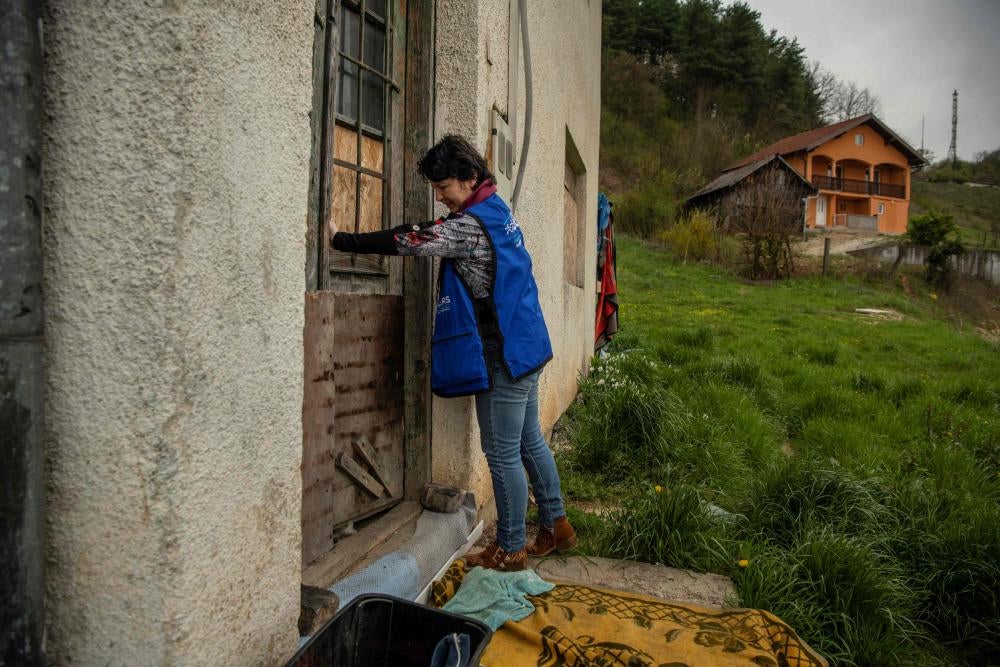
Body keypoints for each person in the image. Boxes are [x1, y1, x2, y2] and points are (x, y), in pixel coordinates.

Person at [329, 134, 576, 571]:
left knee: (501, 453)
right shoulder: (497, 210)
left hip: (505, 355)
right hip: (528, 345)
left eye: (443, 188)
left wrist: (344, 241)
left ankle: (512, 548)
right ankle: (557, 526)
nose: (440, 197)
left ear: (467, 177)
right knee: (527, 441)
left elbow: (411, 240)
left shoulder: (467, 227)